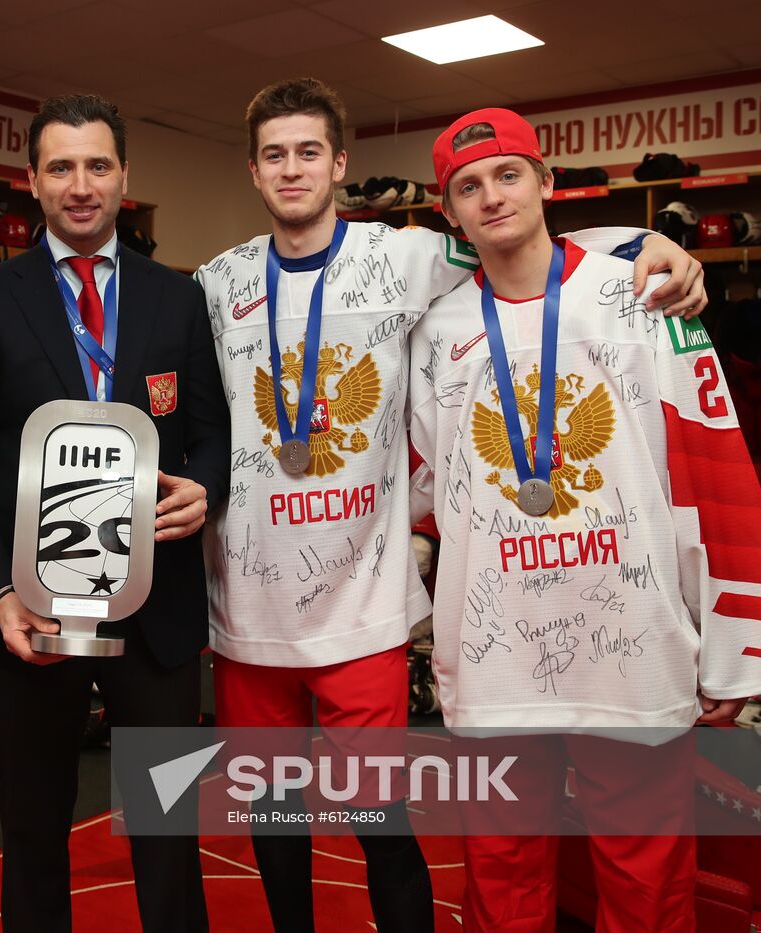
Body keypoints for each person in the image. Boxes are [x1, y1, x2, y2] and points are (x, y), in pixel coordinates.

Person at [192, 78, 708, 933]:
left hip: (365, 606)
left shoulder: (406, 255)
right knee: (274, 821)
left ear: (340, 163)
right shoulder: (216, 282)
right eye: (274, 155)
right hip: (249, 607)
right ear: (251, 170)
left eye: (309, 152)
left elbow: (529, 245)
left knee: (380, 825)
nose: (292, 170)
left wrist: (657, 243)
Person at [408, 106, 761, 932]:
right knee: (502, 878)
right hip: (497, 660)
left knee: (648, 884)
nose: (491, 197)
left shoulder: (645, 295)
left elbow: (717, 473)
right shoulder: (437, 332)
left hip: (631, 649)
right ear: (448, 213)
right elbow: (429, 489)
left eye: (507, 174)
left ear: (545, 181)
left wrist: (733, 649)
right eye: (468, 186)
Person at [0, 93, 230, 932]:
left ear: (124, 177)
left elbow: (213, 436)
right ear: (32, 179)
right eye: (60, 166)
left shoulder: (178, 299)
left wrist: (205, 488)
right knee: (32, 828)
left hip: (158, 611)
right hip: (30, 612)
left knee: (167, 825)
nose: (80, 184)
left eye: (98, 165)